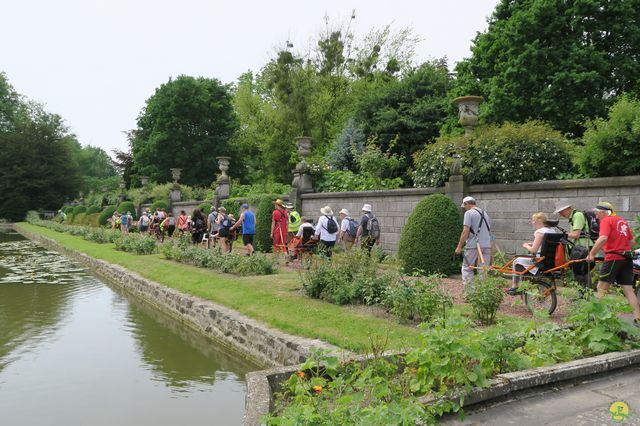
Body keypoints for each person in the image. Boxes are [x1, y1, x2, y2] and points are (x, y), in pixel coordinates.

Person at [587, 203, 640, 326]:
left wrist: (592, 253)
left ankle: (596, 318)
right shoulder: (622, 221)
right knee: (628, 290)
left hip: (613, 258)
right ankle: (638, 318)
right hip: (626, 258)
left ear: (605, 212)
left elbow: (603, 238)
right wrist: (620, 245)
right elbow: (632, 241)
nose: (595, 215)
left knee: (601, 288)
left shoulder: (606, 220)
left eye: (597, 212)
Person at [505, 212, 558, 295]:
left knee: (516, 261)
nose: (532, 222)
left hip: (539, 261)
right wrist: (533, 243)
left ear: (539, 221)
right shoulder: (552, 230)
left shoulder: (539, 232)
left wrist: (526, 245)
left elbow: (533, 250)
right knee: (523, 259)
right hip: (550, 260)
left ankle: (514, 286)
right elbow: (545, 245)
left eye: (534, 220)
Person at [455, 196, 492, 294]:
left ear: (467, 203)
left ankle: (470, 293)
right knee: (483, 269)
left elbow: (465, 231)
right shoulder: (485, 214)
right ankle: (484, 293)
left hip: (473, 245)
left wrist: (459, 246)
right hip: (487, 245)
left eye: (464, 206)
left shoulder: (469, 213)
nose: (464, 208)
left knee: (467, 268)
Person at [554, 202, 593, 290]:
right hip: (581, 246)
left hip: (584, 246)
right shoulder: (574, 216)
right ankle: (585, 294)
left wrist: (563, 235)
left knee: (581, 271)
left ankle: (585, 294)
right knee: (582, 271)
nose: (560, 214)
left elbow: (576, 234)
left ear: (568, 209)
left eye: (561, 212)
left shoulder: (577, 215)